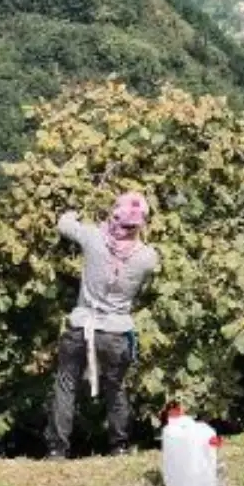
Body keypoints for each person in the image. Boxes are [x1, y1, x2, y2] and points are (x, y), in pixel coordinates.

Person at [44, 192, 161, 459]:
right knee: (116, 387)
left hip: (81, 325)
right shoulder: (148, 257)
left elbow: (64, 224)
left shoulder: (94, 238)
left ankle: (57, 450)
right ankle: (119, 446)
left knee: (66, 384)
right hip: (116, 332)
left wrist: (74, 211)